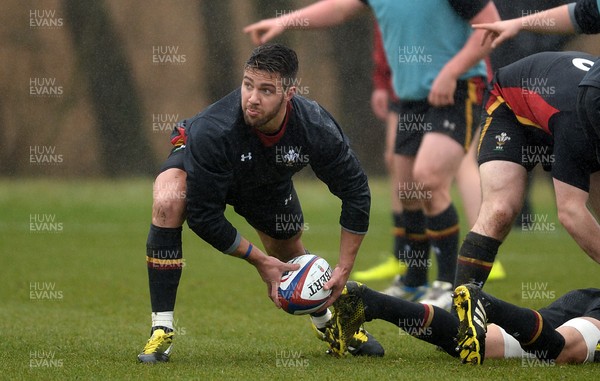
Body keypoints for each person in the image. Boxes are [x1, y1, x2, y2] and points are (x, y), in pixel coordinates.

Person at [244, 0, 501, 310]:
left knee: (429, 180)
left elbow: (491, 27)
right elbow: (339, 8)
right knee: (407, 190)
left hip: (457, 87)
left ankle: (450, 285)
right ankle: (414, 280)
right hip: (411, 97)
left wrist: (451, 70)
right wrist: (285, 22)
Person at [138, 43, 384, 363]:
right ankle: (161, 329)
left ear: (289, 93)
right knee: (169, 199)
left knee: (288, 255)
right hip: (206, 164)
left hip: (264, 181)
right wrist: (257, 260)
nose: (252, 98)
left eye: (266, 90)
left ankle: (330, 322)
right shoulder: (214, 130)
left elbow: (356, 191)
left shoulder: (315, 127)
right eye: (247, 85)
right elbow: (203, 215)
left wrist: (344, 266)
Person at [352, 22, 506, 285]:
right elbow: (387, 32)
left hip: (456, 87)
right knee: (407, 177)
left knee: (438, 174)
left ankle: (472, 253)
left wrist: (458, 72)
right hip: (410, 89)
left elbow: (483, 25)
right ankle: (414, 275)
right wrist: (383, 81)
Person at [451, 49, 600, 290]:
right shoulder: (577, 122)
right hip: (510, 106)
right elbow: (570, 211)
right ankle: (460, 312)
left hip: (561, 110)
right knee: (500, 210)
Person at [324, 281, 600, 364]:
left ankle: (370, 302)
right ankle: (487, 304)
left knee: (471, 343)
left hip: (581, 297)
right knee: (564, 351)